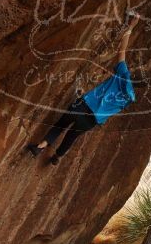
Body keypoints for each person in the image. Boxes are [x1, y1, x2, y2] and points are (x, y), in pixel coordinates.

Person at [25, 13, 140, 165]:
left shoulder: (123, 75)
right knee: (72, 136)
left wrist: (131, 27)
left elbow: (122, 51)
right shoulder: (129, 99)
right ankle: (56, 158)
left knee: (60, 125)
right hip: (91, 121)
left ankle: (40, 147)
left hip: (83, 106)